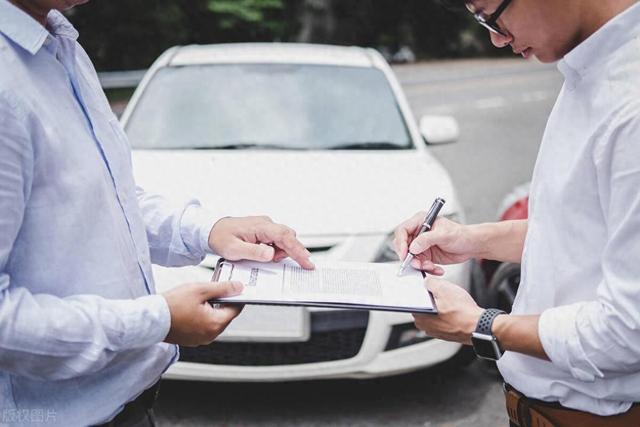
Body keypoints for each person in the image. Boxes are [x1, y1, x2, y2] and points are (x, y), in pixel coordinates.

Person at [0, 0, 314, 425]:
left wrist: (209, 231)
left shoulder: (62, 46)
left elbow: (106, 199)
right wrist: (158, 320)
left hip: (131, 404)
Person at [394, 0, 640, 425]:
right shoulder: (588, 69)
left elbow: (627, 334)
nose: (495, 36)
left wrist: (480, 324)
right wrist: (473, 240)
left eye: (491, 13)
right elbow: (584, 232)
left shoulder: (630, 102)